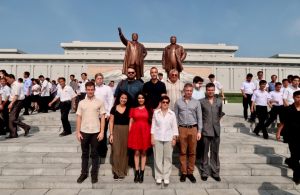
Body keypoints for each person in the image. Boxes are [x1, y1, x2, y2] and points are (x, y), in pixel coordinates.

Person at [76, 81, 106, 184]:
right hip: (84, 131)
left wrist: (102, 132)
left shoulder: (99, 102)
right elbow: (79, 117)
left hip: (95, 131)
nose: (90, 91)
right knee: (84, 153)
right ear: (85, 89)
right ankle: (83, 173)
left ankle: (94, 174)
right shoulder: (81, 103)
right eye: (88, 90)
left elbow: (103, 117)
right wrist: (78, 132)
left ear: (94, 90)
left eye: (92, 89)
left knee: (95, 153)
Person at [174, 83, 202, 183]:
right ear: (184, 91)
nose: (189, 92)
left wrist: (199, 131)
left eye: (190, 91)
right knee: (182, 151)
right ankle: (183, 172)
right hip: (182, 129)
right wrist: (175, 131)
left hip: (193, 128)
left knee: (192, 152)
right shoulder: (178, 102)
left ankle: (190, 172)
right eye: (187, 90)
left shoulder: (196, 102)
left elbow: (199, 118)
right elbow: (175, 117)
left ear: (192, 91)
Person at [151, 96, 178, 184]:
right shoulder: (156, 113)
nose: (165, 103)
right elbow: (153, 126)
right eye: (163, 102)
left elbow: (174, 127)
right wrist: (152, 137)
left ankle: (166, 176)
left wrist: (174, 138)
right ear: (161, 103)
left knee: (168, 157)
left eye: (167, 102)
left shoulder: (172, 114)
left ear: (168, 103)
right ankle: (158, 176)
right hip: (158, 137)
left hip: (168, 137)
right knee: (158, 157)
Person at [199, 83, 223, 182]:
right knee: (204, 152)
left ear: (215, 90)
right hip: (205, 130)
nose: (210, 92)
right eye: (209, 90)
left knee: (215, 152)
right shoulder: (201, 102)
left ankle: (215, 172)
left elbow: (220, 114)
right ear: (206, 90)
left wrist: (215, 123)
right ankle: (204, 172)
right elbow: (199, 117)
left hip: (216, 131)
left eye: (212, 90)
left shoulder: (219, 102)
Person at [127, 92, 153, 183]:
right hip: (135, 132)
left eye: (142, 98)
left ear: (145, 99)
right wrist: (131, 133)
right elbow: (130, 121)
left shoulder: (149, 109)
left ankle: (142, 172)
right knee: (137, 152)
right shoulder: (133, 109)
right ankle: (137, 172)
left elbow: (151, 122)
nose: (141, 99)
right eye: (139, 98)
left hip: (146, 132)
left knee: (144, 152)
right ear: (137, 99)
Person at [276, 91, 300, 185]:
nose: (299, 99)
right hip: (292, 136)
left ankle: (289, 161)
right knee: (295, 156)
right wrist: (278, 133)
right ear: (293, 97)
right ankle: (297, 176)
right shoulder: (288, 109)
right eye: (298, 97)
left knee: (296, 157)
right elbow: (282, 122)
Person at [109, 91, 133, 181]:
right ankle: (116, 171)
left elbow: (131, 122)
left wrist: (130, 134)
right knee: (116, 151)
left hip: (126, 130)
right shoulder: (114, 108)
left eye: (125, 98)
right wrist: (111, 134)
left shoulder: (129, 108)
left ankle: (122, 171)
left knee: (124, 151)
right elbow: (111, 122)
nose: (123, 100)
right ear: (119, 98)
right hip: (116, 130)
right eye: (122, 98)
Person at [93, 73, 114, 157]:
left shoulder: (107, 88)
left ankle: (103, 150)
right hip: (93, 115)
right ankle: (95, 150)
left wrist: (109, 113)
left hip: (104, 115)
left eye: (101, 78)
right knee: (94, 133)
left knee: (103, 132)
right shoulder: (92, 88)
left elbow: (111, 101)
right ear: (95, 79)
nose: (100, 80)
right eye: (98, 78)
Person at [6, 74, 31, 138]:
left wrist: (11, 103)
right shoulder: (13, 85)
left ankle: (26, 126)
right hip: (14, 101)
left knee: (12, 118)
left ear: (12, 78)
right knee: (11, 118)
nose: (7, 81)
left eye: (7, 79)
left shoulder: (17, 85)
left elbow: (16, 96)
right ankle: (13, 133)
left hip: (17, 102)